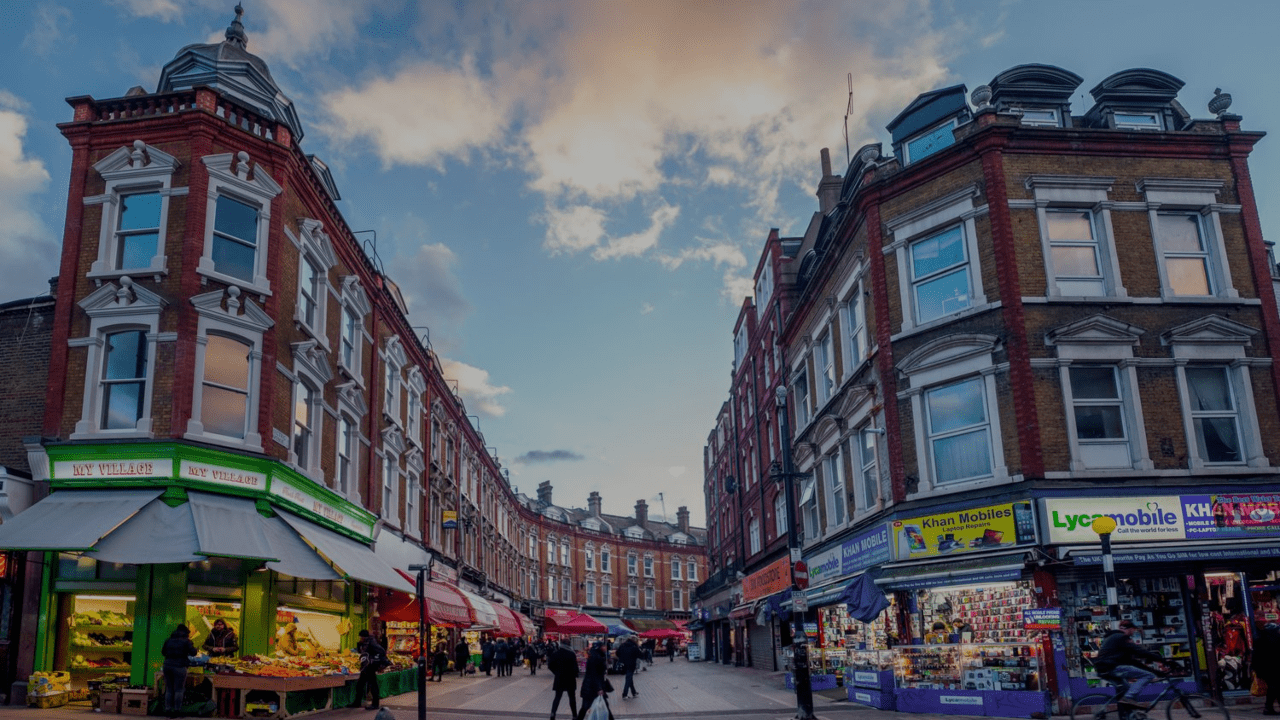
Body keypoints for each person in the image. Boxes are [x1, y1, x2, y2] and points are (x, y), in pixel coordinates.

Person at [1093, 620, 1166, 707]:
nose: (1133, 632)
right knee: (1147, 676)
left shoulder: (1113, 637)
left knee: (1126, 690)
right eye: (1133, 630)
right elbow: (1139, 652)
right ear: (1130, 629)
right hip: (1111, 667)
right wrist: (1159, 660)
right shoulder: (1121, 638)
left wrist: (1156, 672)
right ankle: (1128, 699)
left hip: (1104, 668)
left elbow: (1132, 661)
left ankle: (1130, 715)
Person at [161, 624, 197, 718]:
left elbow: (163, 652)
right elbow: (193, 653)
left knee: (169, 689)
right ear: (186, 633)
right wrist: (193, 647)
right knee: (179, 690)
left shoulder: (168, 640)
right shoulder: (186, 641)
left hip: (167, 665)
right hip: (180, 666)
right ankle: (177, 711)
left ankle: (168, 710)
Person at [348, 629, 388, 710]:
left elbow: (381, 650)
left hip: (370, 666)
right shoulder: (365, 642)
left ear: (363, 637)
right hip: (365, 666)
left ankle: (375, 704)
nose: (360, 638)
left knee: (373, 685)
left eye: (360, 637)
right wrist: (359, 644)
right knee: (360, 685)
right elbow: (361, 652)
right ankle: (357, 702)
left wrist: (377, 661)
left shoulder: (371, 642)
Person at [578, 641, 614, 720]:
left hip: (591, 686)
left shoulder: (596, 655)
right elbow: (594, 674)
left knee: (586, 707)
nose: (605, 647)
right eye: (603, 646)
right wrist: (599, 688)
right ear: (599, 647)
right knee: (585, 707)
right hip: (592, 687)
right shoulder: (596, 657)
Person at [548, 638, 580, 720]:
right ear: (568, 644)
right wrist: (576, 674)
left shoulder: (556, 653)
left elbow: (550, 665)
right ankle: (574, 715)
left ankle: (553, 713)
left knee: (557, 697)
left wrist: (556, 672)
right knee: (572, 698)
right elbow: (575, 667)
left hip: (559, 678)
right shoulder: (572, 654)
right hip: (570, 679)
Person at [1254, 621, 1280, 715]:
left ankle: (1268, 707)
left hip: (1265, 670)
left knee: (1274, 688)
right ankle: (1268, 707)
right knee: (1275, 687)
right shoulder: (1275, 639)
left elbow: (1255, 657)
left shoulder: (1259, 639)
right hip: (1273, 669)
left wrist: (1257, 672)